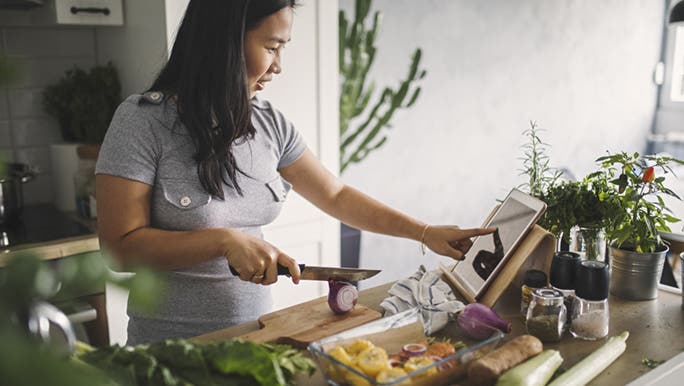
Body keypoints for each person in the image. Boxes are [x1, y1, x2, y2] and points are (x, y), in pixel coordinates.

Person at [96, 0, 495, 345]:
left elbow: (335, 196)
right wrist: (222, 240)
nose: (278, 66)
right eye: (272, 46)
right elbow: (119, 247)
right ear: (223, 43)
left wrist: (425, 233)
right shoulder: (142, 121)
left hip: (257, 338)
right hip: (171, 352)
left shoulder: (270, 125)